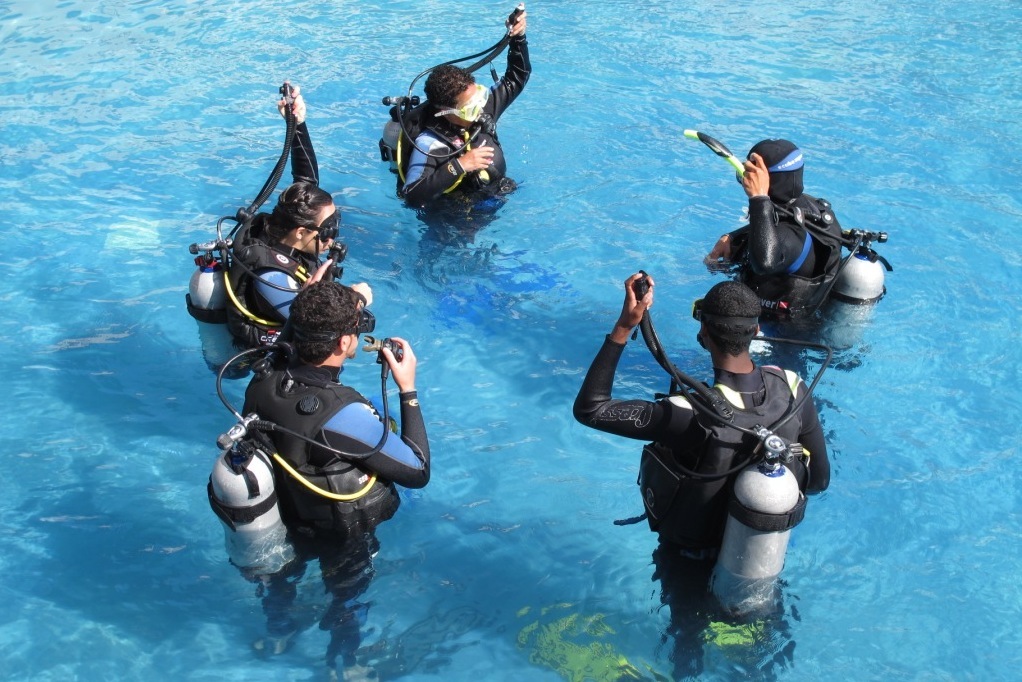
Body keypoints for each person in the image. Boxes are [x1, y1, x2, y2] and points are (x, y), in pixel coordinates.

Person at [573, 274, 829, 678]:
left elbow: (591, 408)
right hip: (754, 558)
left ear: (703, 332)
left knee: (686, 643)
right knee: (758, 653)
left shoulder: (687, 414)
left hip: (688, 563)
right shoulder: (794, 389)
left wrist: (624, 327)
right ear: (756, 330)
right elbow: (818, 482)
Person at [242, 281, 429, 675]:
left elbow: (296, 327)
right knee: (347, 597)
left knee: (281, 580)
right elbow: (417, 471)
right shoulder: (343, 416)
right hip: (337, 534)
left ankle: (279, 632)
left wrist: (335, 300)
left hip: (281, 515)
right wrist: (408, 389)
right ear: (345, 343)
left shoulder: (264, 377)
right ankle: (342, 663)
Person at [226, 84, 371, 350]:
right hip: (254, 356)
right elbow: (315, 326)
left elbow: (307, 181)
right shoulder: (272, 277)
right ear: (301, 232)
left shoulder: (287, 228)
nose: (333, 237)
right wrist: (357, 299)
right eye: (328, 230)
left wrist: (297, 124)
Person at [399, 7, 530, 207]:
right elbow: (411, 196)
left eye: (480, 97)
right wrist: (460, 165)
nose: (479, 110)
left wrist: (518, 38)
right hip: (453, 218)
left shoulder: (482, 109)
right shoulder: (429, 145)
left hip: (495, 195)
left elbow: (517, 76)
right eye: (470, 107)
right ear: (445, 112)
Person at [705, 139, 845, 318]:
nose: (744, 179)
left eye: (750, 174)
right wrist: (732, 237)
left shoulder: (791, 236)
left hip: (783, 333)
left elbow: (765, 263)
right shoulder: (806, 206)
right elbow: (769, 225)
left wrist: (758, 198)